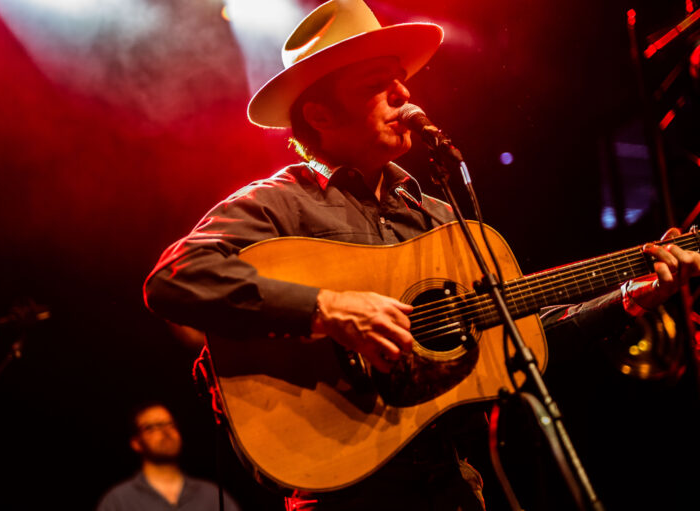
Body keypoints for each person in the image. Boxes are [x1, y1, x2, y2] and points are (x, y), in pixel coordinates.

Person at [143, 1, 700, 509]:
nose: (405, 95)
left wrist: (630, 295)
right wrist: (327, 308)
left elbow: (516, 341)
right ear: (319, 115)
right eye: (377, 83)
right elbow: (174, 278)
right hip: (343, 495)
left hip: (452, 488)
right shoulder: (278, 206)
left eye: (402, 81)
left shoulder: (437, 215)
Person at [96, 402, 241, 511]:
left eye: (170, 424)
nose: (165, 431)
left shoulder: (212, 496)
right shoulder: (118, 501)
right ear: (136, 443)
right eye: (152, 427)